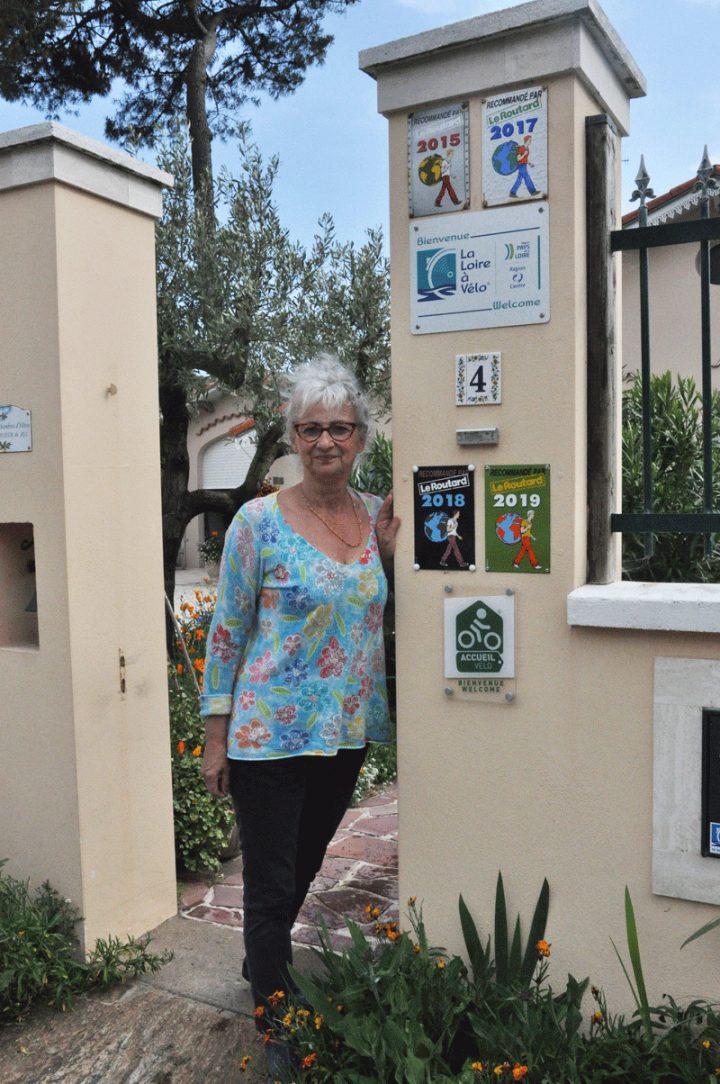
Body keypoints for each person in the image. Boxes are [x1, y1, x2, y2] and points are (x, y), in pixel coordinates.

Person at [199, 355, 400, 1081]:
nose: (324, 442)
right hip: (267, 736)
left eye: (339, 428)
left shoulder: (378, 517)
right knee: (273, 880)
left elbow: (386, 608)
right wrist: (215, 736)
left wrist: (387, 556)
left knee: (306, 865)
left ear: (361, 438)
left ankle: (264, 961)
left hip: (343, 733)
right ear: (291, 436)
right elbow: (225, 631)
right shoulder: (259, 522)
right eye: (310, 428)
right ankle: (276, 1015)